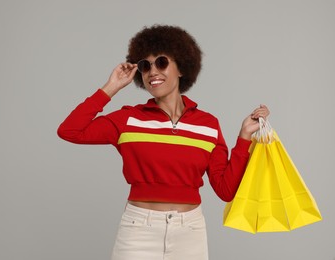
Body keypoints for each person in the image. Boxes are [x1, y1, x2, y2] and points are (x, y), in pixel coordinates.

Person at [57, 25, 269, 260]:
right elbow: (70, 131)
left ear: (181, 67)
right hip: (138, 231)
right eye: (145, 66)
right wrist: (112, 87)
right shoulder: (128, 119)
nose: (152, 72)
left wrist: (244, 138)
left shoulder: (208, 124)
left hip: (190, 232)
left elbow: (226, 190)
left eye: (161, 62)